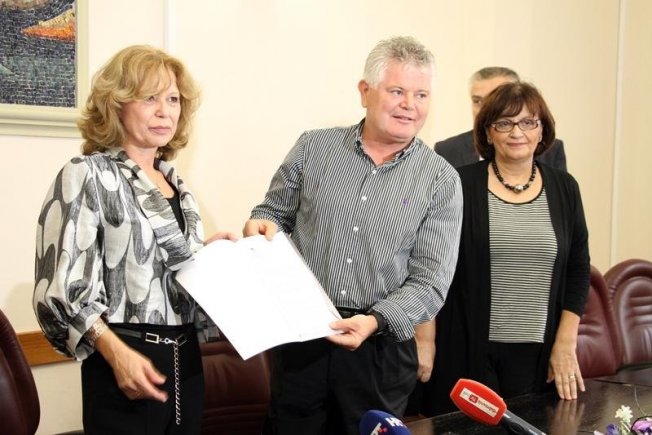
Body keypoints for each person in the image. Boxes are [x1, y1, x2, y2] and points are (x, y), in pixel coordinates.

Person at [243, 36, 463, 435]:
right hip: (304, 339)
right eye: (396, 91)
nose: (409, 105)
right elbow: (273, 213)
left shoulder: (441, 180)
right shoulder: (313, 148)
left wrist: (375, 321)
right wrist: (261, 225)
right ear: (365, 91)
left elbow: (431, 282)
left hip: (380, 349)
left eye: (421, 95)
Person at [33, 45, 235, 434]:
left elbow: (157, 269)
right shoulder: (87, 173)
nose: (165, 111)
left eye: (173, 99)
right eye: (149, 98)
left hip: (188, 360)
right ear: (117, 105)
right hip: (124, 356)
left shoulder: (176, 183)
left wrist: (208, 255)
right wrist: (116, 354)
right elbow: (61, 289)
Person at [420, 81, 590, 416]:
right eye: (504, 123)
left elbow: (578, 269)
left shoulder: (565, 188)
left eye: (528, 122)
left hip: (539, 355)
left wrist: (565, 342)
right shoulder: (458, 183)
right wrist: (425, 339)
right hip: (467, 348)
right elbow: (430, 264)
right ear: (488, 131)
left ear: (542, 130)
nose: (517, 132)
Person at [435, 66, 567, 170]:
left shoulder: (552, 150)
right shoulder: (447, 150)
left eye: (496, 99)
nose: (484, 109)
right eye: (477, 101)